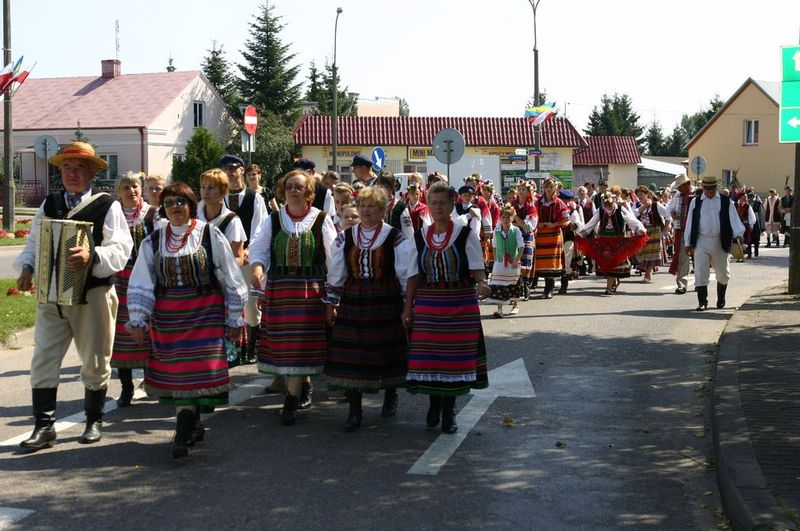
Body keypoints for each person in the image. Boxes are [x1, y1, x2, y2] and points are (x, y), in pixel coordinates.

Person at [14, 141, 133, 450]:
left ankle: (94, 420)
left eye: (80, 167)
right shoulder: (50, 203)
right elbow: (35, 240)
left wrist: (93, 256)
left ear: (93, 172)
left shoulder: (108, 205)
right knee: (44, 357)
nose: (72, 173)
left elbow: (122, 248)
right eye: (67, 167)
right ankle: (44, 427)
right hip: (52, 293)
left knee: (94, 359)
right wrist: (27, 266)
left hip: (93, 294)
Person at [127, 183, 248, 458]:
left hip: (206, 312)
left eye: (180, 202)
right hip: (169, 317)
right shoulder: (154, 240)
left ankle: (183, 432)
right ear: (163, 208)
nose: (175, 207)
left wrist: (233, 318)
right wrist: (138, 318)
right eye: (169, 203)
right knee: (180, 374)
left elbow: (229, 274)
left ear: (191, 205)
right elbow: (142, 278)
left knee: (197, 371)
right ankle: (190, 425)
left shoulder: (209, 234)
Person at [323, 186, 419, 430]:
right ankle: (355, 410)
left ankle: (390, 395)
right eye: (363, 206)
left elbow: (405, 273)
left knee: (386, 352)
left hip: (385, 301)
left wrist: (407, 306)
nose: (366, 211)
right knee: (353, 356)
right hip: (353, 300)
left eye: (372, 207)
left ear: (383, 210)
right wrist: (331, 303)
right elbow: (336, 273)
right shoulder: (346, 237)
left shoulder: (394, 237)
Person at [249, 170, 337, 425]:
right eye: (289, 187)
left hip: (310, 292)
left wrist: (333, 297)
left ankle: (290, 400)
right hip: (280, 290)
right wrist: (257, 268)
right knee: (287, 346)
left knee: (301, 345)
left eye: (298, 187)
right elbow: (259, 248)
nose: (293, 191)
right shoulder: (274, 220)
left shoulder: (321, 219)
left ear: (309, 192)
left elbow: (333, 259)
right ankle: (302, 386)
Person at [406, 183, 489, 434]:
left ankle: (449, 409)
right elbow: (413, 275)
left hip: (459, 304)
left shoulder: (465, 234)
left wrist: (482, 283)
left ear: (452, 204)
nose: (438, 207)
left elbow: (477, 268)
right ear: (428, 205)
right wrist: (407, 307)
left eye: (443, 202)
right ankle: (434, 403)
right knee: (430, 359)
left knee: (454, 361)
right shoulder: (420, 236)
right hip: (428, 306)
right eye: (433, 203)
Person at [111, 172, 157, 408]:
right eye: (126, 187)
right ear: (118, 192)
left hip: (147, 279)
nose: (132, 191)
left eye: (135, 186)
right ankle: (126, 386)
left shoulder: (153, 214)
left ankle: (152, 381)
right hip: (119, 280)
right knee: (120, 336)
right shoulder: (112, 215)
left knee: (149, 332)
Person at [220, 154, 269, 373]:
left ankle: (251, 348)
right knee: (227, 304)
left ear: (242, 171)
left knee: (250, 304)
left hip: (248, 256)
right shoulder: (219, 196)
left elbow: (261, 227)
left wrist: (250, 249)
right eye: (226, 169)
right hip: (224, 259)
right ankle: (232, 351)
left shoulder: (254, 197)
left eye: (234, 168)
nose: (230, 172)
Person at [684, 175, 746, 311]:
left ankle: (721, 299)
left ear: (716, 187)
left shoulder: (725, 201)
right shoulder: (696, 202)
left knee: (723, 273)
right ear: (703, 188)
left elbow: (734, 219)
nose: (710, 191)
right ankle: (702, 302)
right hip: (701, 241)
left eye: (712, 188)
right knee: (700, 272)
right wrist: (688, 242)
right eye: (707, 188)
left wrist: (739, 234)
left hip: (720, 241)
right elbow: (690, 222)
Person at [576, 192, 647, 295]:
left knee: (614, 264)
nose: (608, 207)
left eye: (610, 205)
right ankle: (611, 284)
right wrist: (581, 234)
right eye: (606, 205)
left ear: (614, 202)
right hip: (604, 241)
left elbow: (631, 220)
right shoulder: (600, 210)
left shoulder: (620, 209)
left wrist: (640, 228)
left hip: (617, 241)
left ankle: (610, 286)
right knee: (608, 263)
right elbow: (591, 223)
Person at [533, 177, 570, 299]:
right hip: (541, 236)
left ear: (555, 188)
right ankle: (547, 287)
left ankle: (549, 288)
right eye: (546, 187)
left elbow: (566, 219)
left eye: (551, 187)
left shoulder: (559, 203)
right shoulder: (538, 202)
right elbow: (532, 215)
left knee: (552, 262)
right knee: (542, 262)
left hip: (554, 236)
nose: (548, 189)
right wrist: (537, 223)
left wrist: (554, 224)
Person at [489, 203, 524, 317]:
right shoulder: (496, 231)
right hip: (500, 262)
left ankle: (515, 305)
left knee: (513, 283)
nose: (505, 219)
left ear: (512, 218)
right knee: (498, 284)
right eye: (503, 217)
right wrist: (496, 260)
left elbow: (521, 247)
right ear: (500, 218)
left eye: (508, 217)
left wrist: (516, 260)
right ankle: (499, 310)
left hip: (512, 262)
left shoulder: (516, 230)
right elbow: (494, 246)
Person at [666, 174, 694, 294]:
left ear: (687, 184)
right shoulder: (678, 196)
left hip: (697, 231)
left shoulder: (697, 195)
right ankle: (682, 284)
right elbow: (668, 209)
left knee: (700, 258)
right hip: (682, 230)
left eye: (680, 186)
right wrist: (673, 214)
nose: (678, 189)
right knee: (683, 257)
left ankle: (700, 283)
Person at [634, 185, 667, 283]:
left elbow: (667, 214)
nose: (640, 196)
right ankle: (648, 272)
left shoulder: (656, 205)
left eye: (641, 194)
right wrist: (644, 206)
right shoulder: (637, 205)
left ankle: (647, 275)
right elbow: (633, 214)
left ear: (647, 195)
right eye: (638, 195)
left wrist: (666, 227)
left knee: (651, 254)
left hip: (653, 231)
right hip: (642, 231)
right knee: (641, 253)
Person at [511, 181, 538, 299]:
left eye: (524, 190)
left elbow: (528, 227)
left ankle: (526, 286)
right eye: (519, 189)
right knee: (514, 260)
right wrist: (518, 223)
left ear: (528, 192)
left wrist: (515, 217)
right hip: (513, 235)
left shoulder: (531, 207)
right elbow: (506, 221)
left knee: (526, 261)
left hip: (526, 236)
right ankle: (518, 286)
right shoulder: (512, 204)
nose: (521, 192)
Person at [558, 188, 584, 293]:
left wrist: (569, 220)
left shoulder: (573, 211)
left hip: (568, 239)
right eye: (561, 199)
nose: (562, 202)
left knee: (566, 261)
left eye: (564, 200)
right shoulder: (556, 208)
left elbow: (578, 226)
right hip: (556, 238)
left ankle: (564, 285)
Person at [376, 172, 414, 241]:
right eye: (380, 186)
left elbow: (408, 232)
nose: (382, 189)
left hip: (395, 244)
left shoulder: (400, 206)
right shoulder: (374, 204)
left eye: (386, 186)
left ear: (392, 187)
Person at [735, 193, 757, 262]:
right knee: (738, 241)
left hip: (745, 225)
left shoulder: (747, 206)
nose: (745, 198)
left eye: (746, 197)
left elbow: (752, 216)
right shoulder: (735, 205)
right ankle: (739, 256)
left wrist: (751, 225)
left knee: (747, 239)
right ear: (740, 197)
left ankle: (749, 253)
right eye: (744, 197)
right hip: (737, 225)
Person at [746, 189, 763, 258]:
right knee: (749, 238)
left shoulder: (758, 203)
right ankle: (749, 253)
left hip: (756, 222)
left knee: (756, 238)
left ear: (753, 197)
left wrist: (762, 225)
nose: (750, 199)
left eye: (751, 198)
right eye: (749, 198)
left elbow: (761, 214)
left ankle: (756, 251)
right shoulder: (746, 204)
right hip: (748, 222)